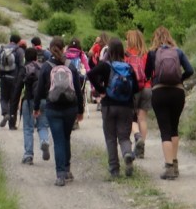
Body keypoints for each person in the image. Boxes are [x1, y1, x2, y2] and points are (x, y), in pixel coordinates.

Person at [32, 35, 85, 186]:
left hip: (53, 108)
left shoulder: (46, 67)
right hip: (70, 108)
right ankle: (67, 170)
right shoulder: (71, 66)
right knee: (66, 137)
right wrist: (80, 110)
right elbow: (78, 91)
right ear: (64, 49)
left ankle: (60, 174)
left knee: (59, 140)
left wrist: (36, 108)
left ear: (50, 48)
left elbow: (39, 90)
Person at [145, 25, 194, 180]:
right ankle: (175, 162)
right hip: (178, 92)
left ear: (155, 38)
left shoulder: (152, 53)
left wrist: (155, 80)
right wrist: (180, 79)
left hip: (160, 92)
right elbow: (190, 70)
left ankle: (169, 168)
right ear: (169, 37)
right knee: (174, 128)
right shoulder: (178, 52)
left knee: (165, 130)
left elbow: (146, 74)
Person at [87, 37, 140, 178]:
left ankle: (114, 170)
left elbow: (90, 74)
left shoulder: (105, 65)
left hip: (108, 106)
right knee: (123, 137)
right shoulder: (128, 68)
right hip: (126, 107)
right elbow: (136, 88)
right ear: (122, 51)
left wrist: (102, 90)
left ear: (108, 50)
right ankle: (127, 153)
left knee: (110, 138)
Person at [17, 47, 52, 164]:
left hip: (29, 100)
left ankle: (28, 155)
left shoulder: (24, 68)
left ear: (25, 57)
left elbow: (18, 87)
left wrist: (14, 105)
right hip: (43, 100)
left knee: (28, 128)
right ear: (36, 57)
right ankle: (44, 141)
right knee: (43, 126)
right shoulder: (43, 67)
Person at [125, 29, 152, 158]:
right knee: (142, 118)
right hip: (147, 88)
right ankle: (142, 148)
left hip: (132, 88)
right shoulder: (146, 54)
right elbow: (152, 73)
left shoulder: (127, 54)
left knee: (130, 117)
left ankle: (137, 137)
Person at [0, 32, 23, 129]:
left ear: (10, 40)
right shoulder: (19, 50)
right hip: (14, 79)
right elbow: (21, 66)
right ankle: (12, 125)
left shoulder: (2, 49)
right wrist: (21, 80)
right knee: (14, 101)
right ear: (18, 42)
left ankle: (5, 113)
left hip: (3, 77)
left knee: (3, 98)